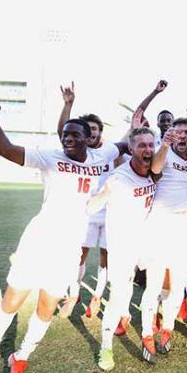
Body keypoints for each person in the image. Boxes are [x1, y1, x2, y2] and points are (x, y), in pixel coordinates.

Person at [0, 97, 124, 373]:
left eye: (74, 134)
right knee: (13, 300)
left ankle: (20, 360)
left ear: (88, 139)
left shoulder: (101, 156)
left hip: (68, 248)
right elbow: (4, 149)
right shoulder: (50, 157)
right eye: (65, 134)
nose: (68, 138)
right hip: (39, 239)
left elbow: (128, 144)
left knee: (45, 307)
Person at [89, 127, 158, 370]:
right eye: (142, 145)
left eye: (151, 145)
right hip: (123, 245)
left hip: (147, 241)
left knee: (155, 286)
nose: (148, 150)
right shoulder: (118, 178)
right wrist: (99, 196)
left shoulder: (155, 171)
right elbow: (92, 205)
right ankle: (105, 347)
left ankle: (146, 328)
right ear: (131, 149)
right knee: (118, 297)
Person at [55, 83, 115, 318]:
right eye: (87, 130)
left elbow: (131, 137)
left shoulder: (109, 151)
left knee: (105, 257)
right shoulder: (75, 153)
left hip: (109, 213)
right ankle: (73, 294)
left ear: (100, 133)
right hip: (85, 213)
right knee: (78, 254)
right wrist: (68, 105)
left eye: (94, 130)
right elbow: (62, 131)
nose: (90, 134)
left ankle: (98, 297)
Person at [148, 118, 187, 354]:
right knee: (155, 279)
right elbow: (155, 169)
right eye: (179, 132)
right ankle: (148, 332)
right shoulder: (164, 151)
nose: (183, 136)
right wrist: (165, 145)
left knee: (178, 279)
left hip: (182, 222)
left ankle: (167, 327)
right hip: (160, 220)